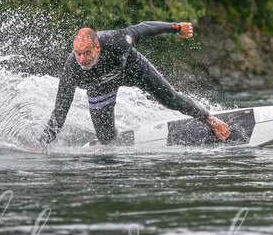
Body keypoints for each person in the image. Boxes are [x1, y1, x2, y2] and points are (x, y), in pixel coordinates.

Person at [38, 23, 231, 146]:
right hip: (101, 86)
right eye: (78, 53)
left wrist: (176, 28)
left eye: (87, 53)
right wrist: (42, 144)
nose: (82, 59)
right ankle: (106, 140)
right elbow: (60, 111)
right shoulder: (72, 69)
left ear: (97, 47)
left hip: (132, 69)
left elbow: (144, 28)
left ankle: (211, 120)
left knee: (171, 99)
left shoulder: (116, 40)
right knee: (106, 140)